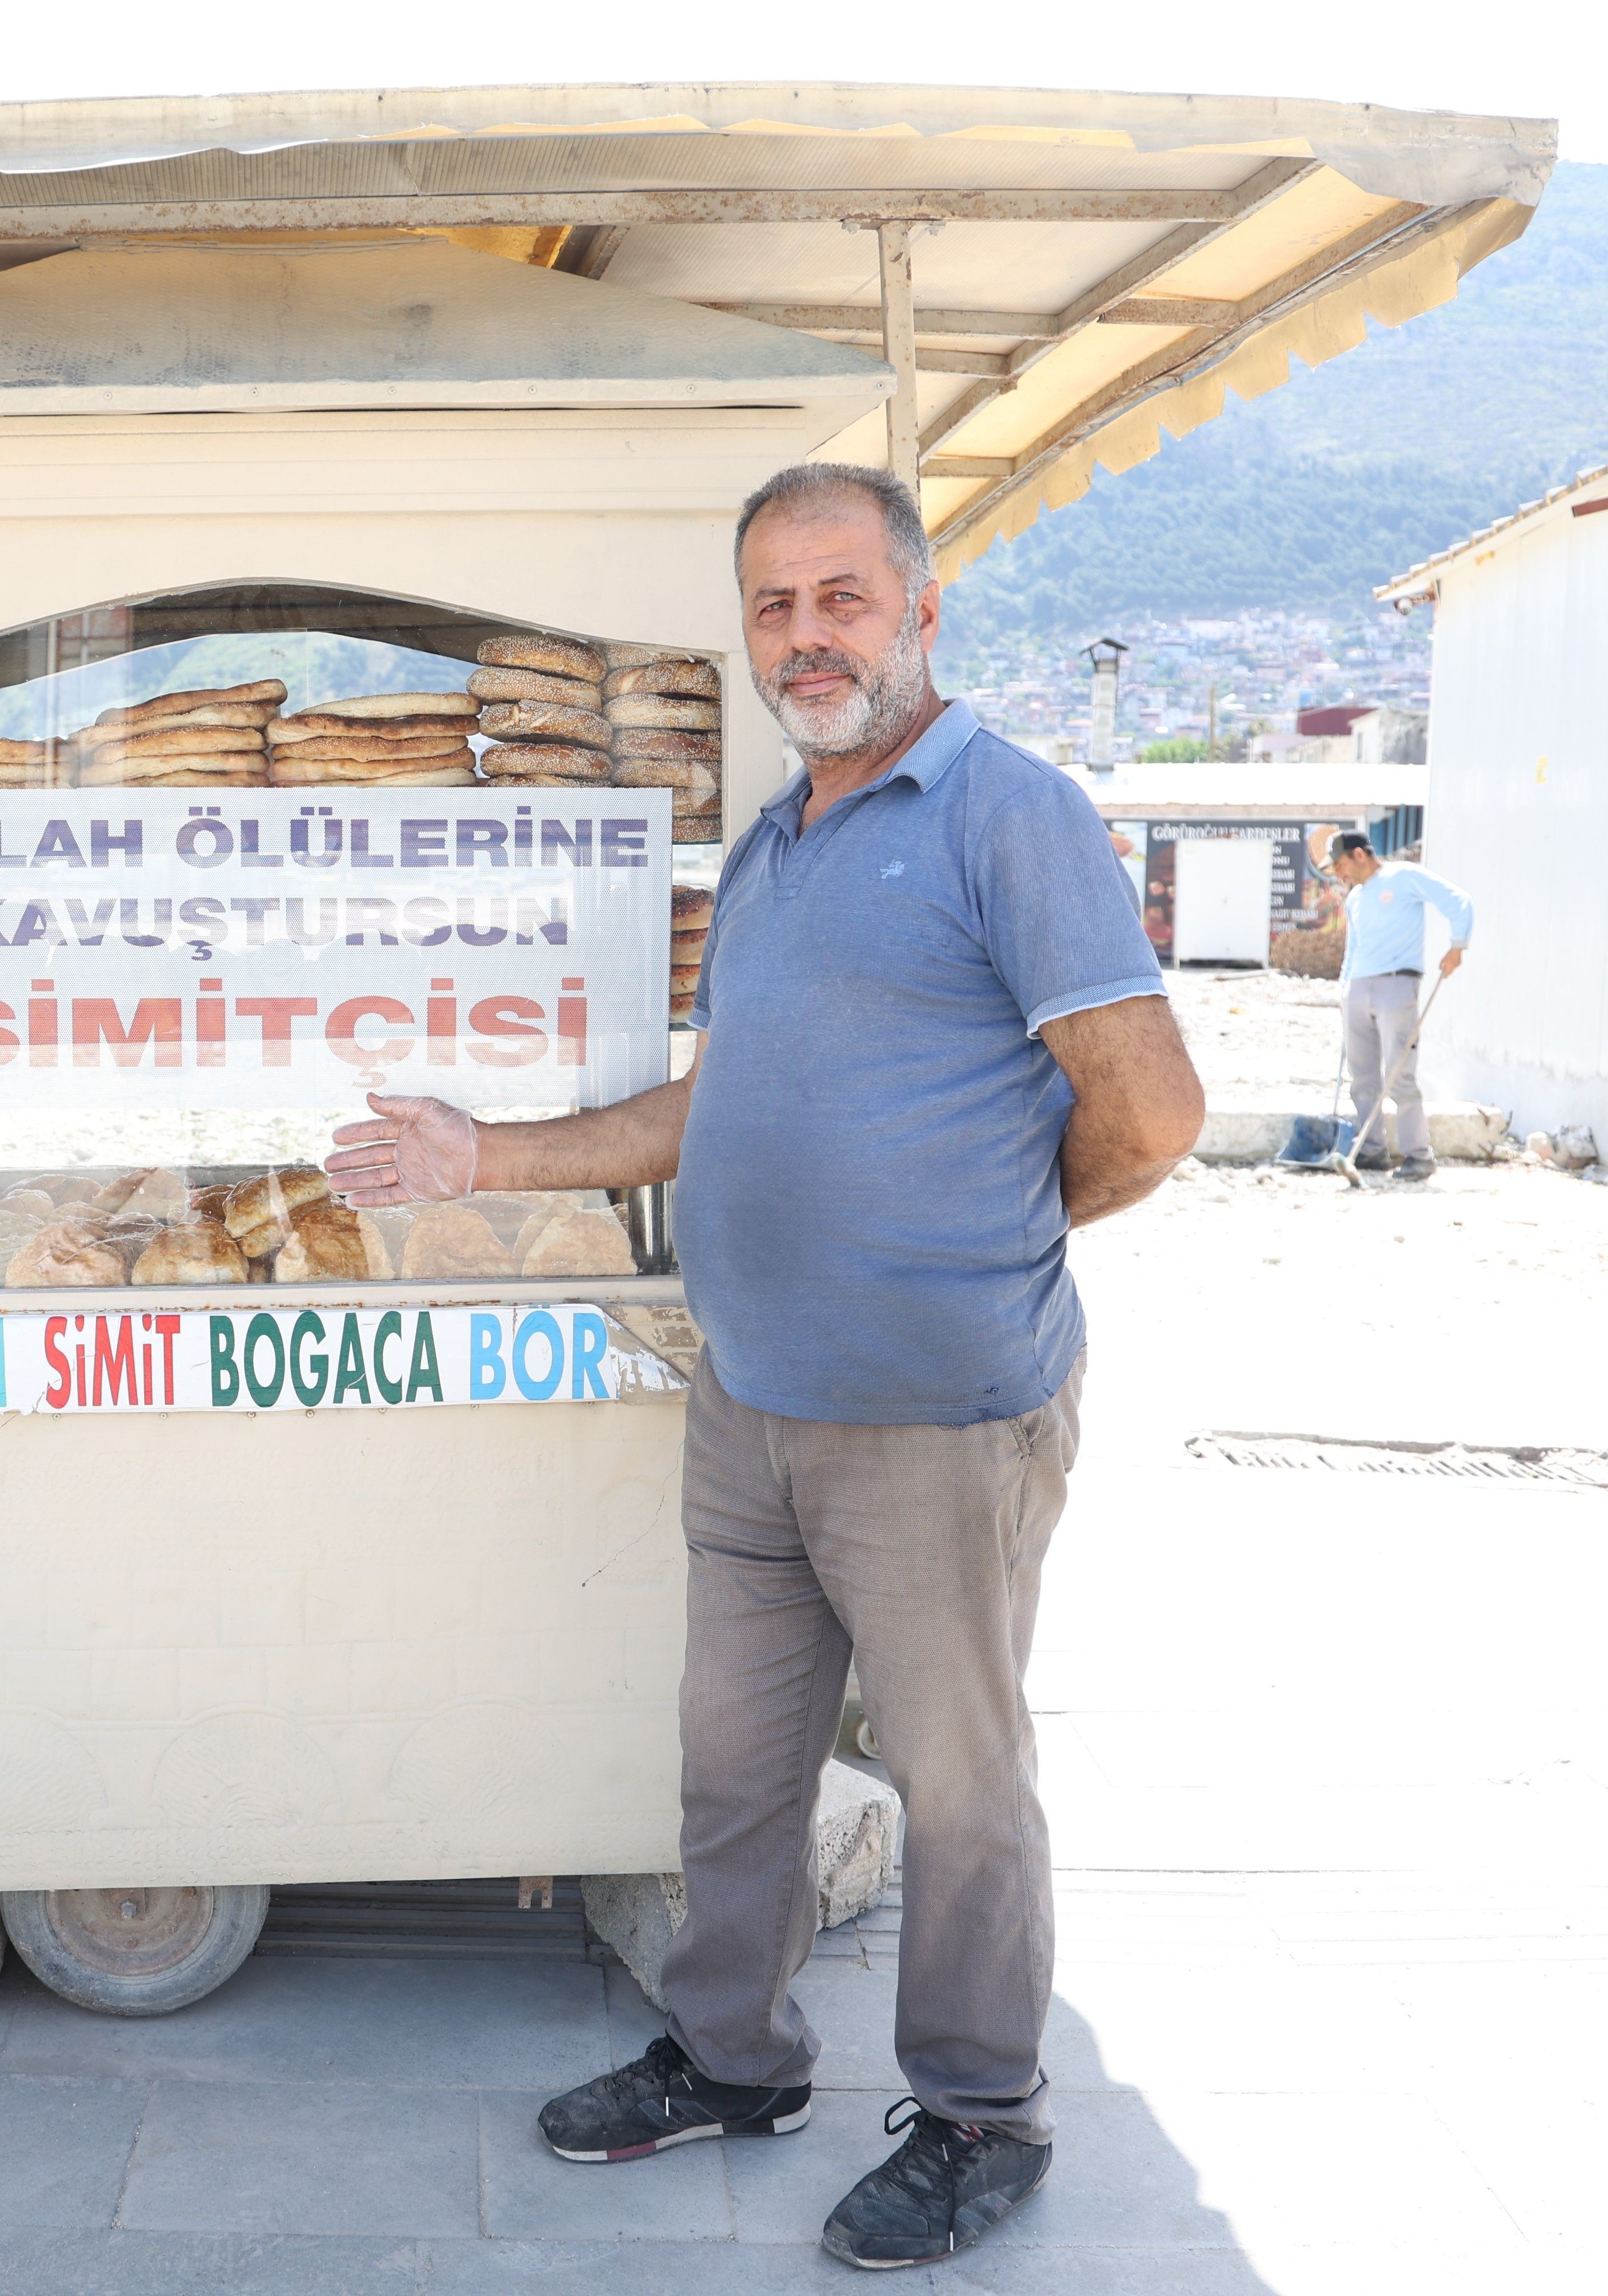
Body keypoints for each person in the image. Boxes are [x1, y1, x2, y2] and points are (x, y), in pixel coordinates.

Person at [329, 464, 1202, 2270]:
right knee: (732, 1767)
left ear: (919, 610)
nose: (804, 637)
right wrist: (477, 1154)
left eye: (839, 597)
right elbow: (712, 1101)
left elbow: (1150, 1111)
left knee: (960, 1786)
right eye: (772, 607)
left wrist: (985, 1236)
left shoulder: (1004, 812)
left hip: (936, 1419)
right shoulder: (776, 837)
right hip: (748, 1406)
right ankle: (732, 2054)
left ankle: (978, 2111)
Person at [1323, 831, 1469, 1180]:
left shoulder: (1404, 877)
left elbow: (1458, 901)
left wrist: (1457, 945)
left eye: (1342, 865)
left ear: (1359, 855)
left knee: (1399, 1073)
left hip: (1397, 984)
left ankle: (1419, 1155)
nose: (1340, 875)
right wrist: (1344, 991)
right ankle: (1371, 1151)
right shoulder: (1355, 898)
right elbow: (1353, 949)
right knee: (1362, 1076)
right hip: (1358, 987)